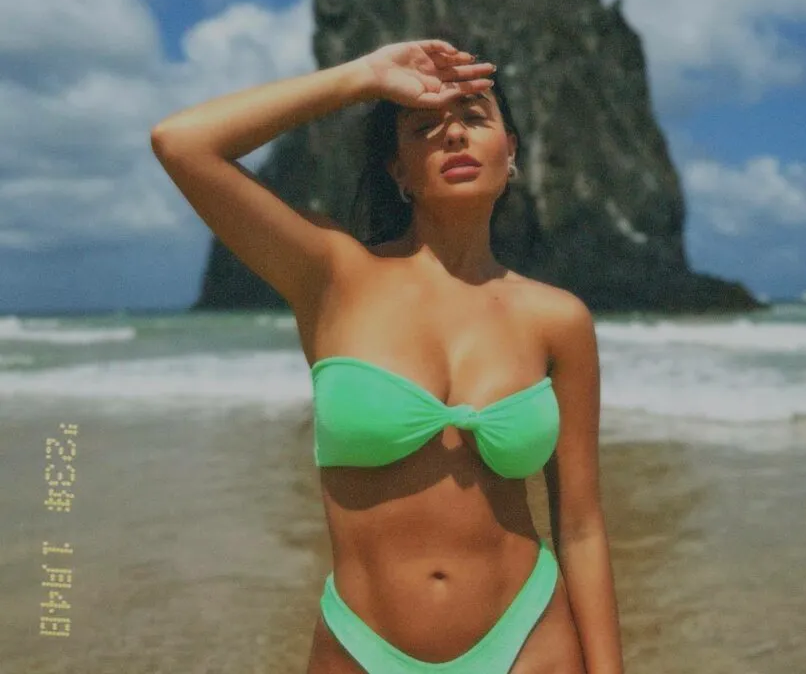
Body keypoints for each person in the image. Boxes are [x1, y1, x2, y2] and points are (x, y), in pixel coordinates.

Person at [150, 38, 625, 674]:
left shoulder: (558, 319)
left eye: (475, 117)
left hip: (531, 639)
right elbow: (182, 143)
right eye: (423, 127)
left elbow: (581, 527)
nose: (453, 134)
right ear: (398, 171)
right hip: (363, 648)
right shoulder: (334, 275)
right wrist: (364, 76)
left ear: (510, 151)